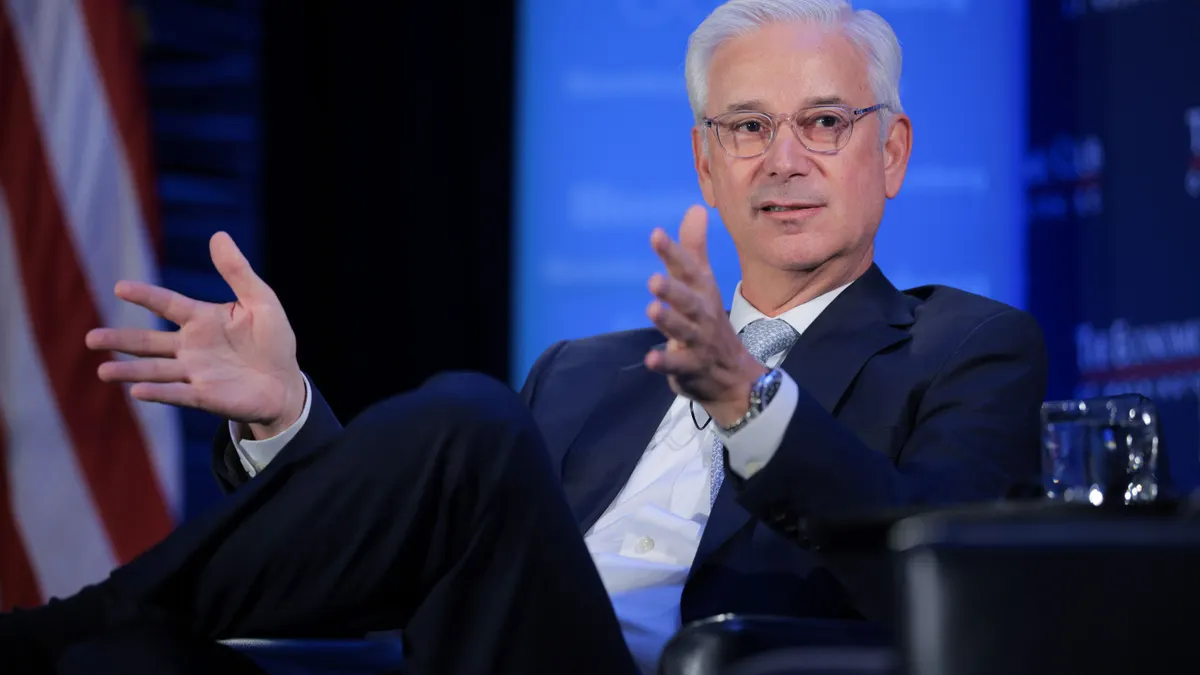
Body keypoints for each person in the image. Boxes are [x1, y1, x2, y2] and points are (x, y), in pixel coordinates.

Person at [1, 0, 1048, 673]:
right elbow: (432, 556)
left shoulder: (968, 348)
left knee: (470, 419)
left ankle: (49, 627)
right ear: (706, 164)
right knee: (133, 665)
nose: (784, 158)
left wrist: (748, 400)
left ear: (894, 151)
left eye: (824, 122)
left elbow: (927, 567)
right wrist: (289, 416)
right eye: (748, 126)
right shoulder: (585, 375)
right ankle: (85, 635)